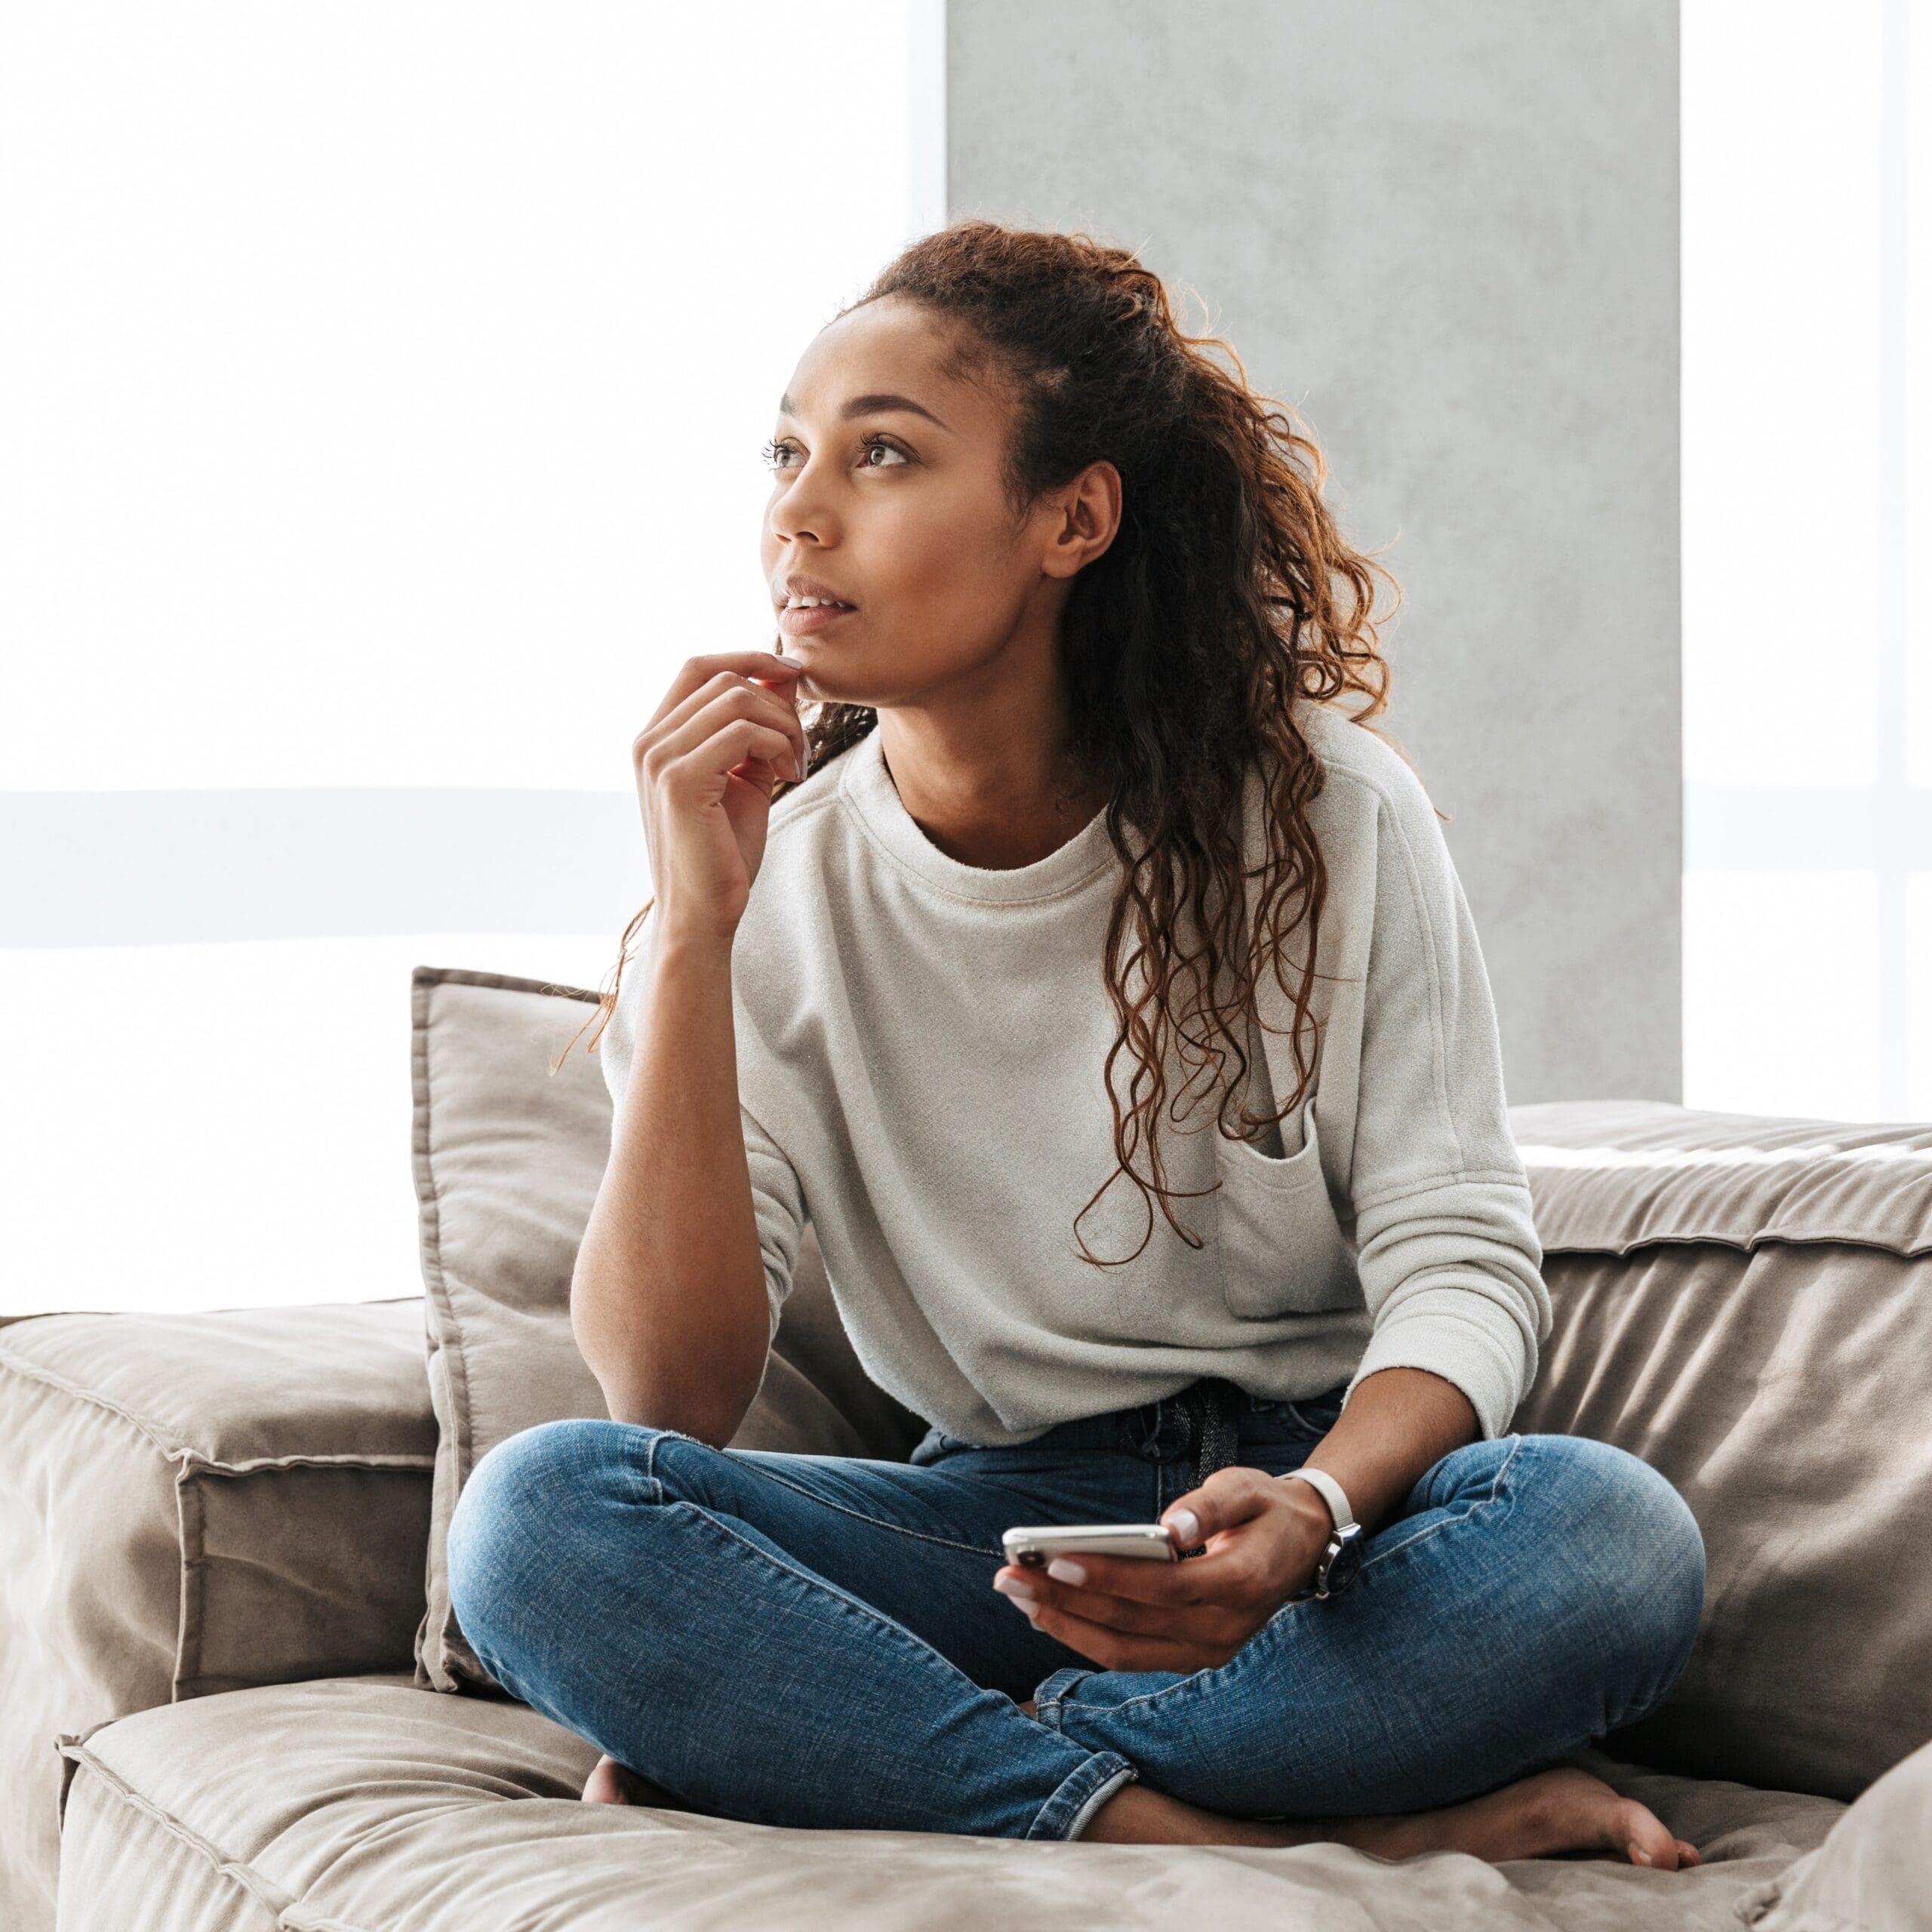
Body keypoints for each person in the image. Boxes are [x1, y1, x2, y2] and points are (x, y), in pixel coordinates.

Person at [446, 218, 1706, 1869]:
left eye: (881, 454)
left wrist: (1316, 1504)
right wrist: (691, 932)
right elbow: (670, 1388)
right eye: (785, 454)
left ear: (1072, 516)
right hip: (982, 1534)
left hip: (1305, 1538)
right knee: (540, 1518)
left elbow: (1461, 1261)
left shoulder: (1329, 815)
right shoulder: (769, 882)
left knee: (1609, 1541)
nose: (797, 513)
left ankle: (866, 1746)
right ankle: (1201, 1817)